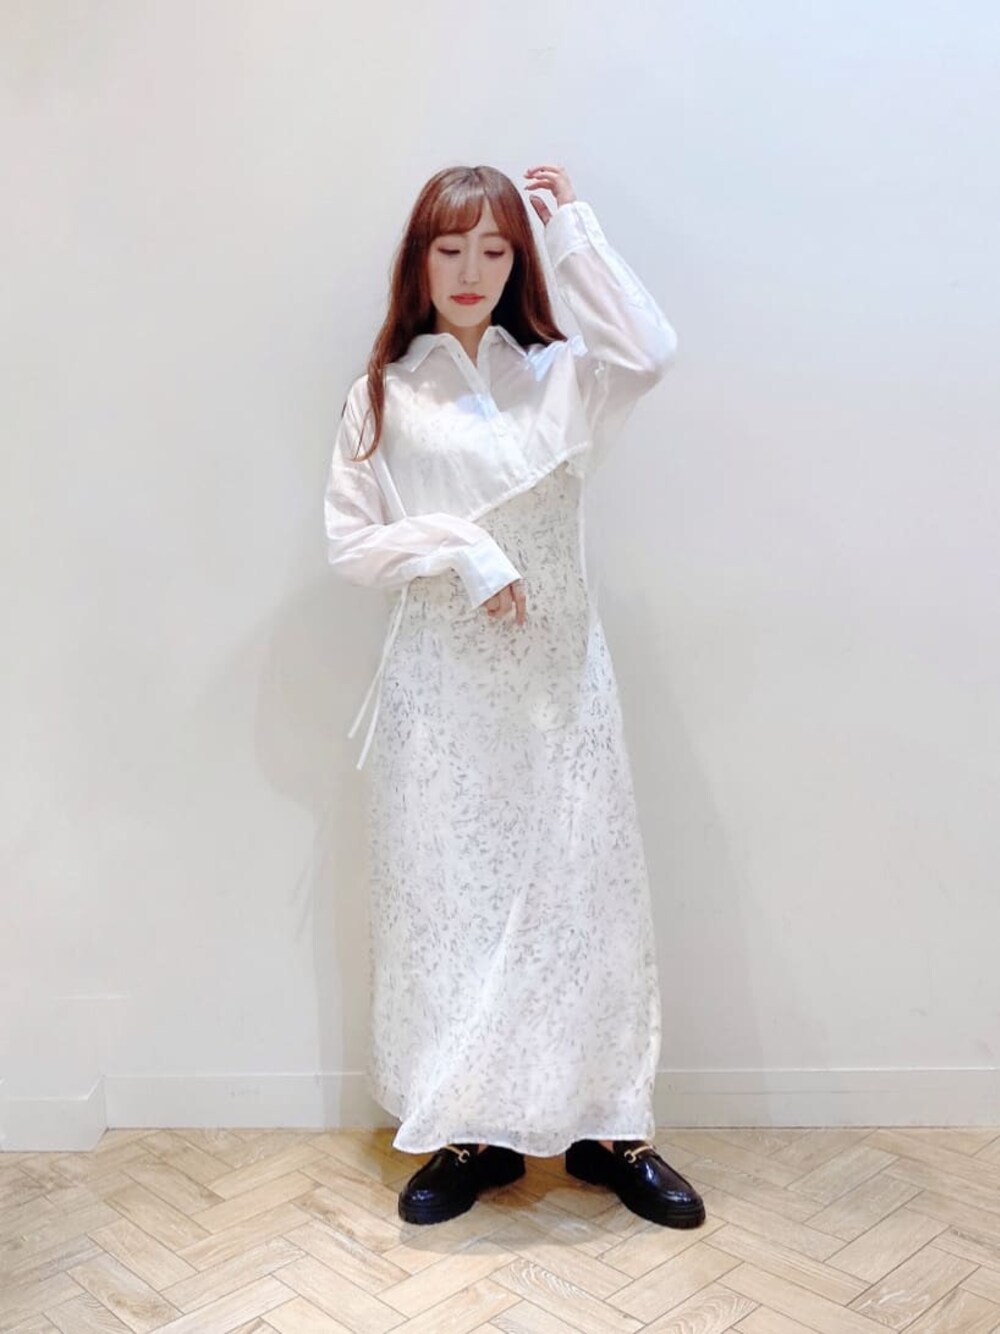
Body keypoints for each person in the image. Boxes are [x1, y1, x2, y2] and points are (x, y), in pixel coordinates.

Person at [323, 162, 705, 1230]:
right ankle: (470, 1129)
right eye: (450, 248)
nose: (471, 270)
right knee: (452, 900)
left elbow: (650, 352)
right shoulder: (383, 393)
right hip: (442, 695)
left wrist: (571, 226)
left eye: (495, 249)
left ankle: (608, 1127)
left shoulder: (562, 376)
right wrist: (460, 547)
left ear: (518, 262)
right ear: (418, 260)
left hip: (560, 683)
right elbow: (349, 542)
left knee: (586, 893)